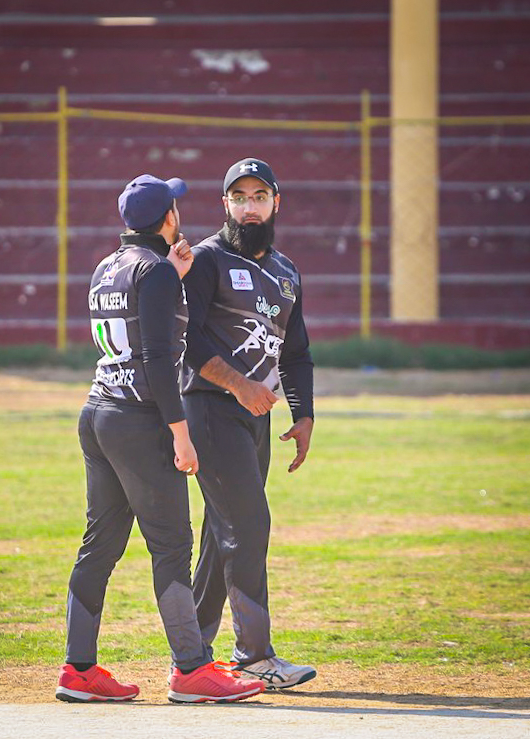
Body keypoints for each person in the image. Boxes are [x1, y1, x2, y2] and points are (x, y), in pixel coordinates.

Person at [56, 174, 265, 704]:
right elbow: (155, 356)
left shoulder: (109, 266)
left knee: (100, 545)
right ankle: (191, 670)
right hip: (140, 420)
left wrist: (172, 273)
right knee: (172, 545)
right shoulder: (155, 272)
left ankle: (78, 670)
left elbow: (139, 317)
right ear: (169, 218)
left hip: (99, 412)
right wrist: (180, 434)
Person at [180, 158, 316, 690]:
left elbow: (295, 351)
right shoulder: (206, 260)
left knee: (225, 534)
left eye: (259, 196)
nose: (249, 206)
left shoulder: (286, 271)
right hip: (211, 408)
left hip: (255, 416)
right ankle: (254, 658)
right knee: (249, 525)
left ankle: (191, 655)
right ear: (226, 205)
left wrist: (303, 414)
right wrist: (239, 385)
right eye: (239, 197)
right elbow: (187, 339)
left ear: (276, 202)